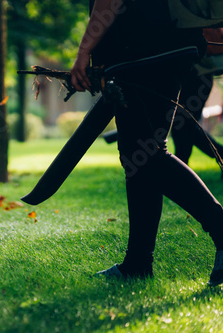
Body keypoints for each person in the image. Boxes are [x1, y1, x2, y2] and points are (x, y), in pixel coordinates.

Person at [70, 0, 223, 286]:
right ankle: (138, 262)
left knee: (147, 155)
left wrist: (84, 50)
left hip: (144, 51)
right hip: (164, 47)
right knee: (138, 158)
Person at [172, 28, 223, 167]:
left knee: (183, 124)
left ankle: (181, 166)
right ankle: (181, 166)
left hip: (199, 74)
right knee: (184, 124)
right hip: (199, 74)